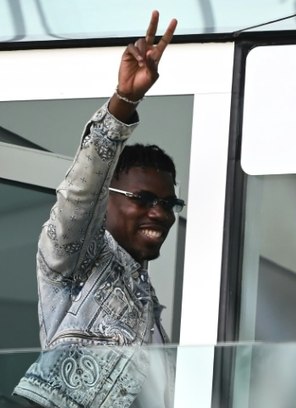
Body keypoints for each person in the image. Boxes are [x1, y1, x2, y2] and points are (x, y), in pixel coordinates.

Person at [13, 11, 181, 408]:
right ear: (109, 199)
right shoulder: (80, 260)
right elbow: (80, 195)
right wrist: (125, 102)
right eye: (143, 199)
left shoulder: (150, 309)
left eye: (169, 203)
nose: (159, 213)